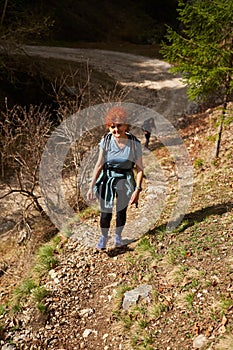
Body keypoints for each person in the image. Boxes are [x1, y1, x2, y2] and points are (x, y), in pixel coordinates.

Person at [87, 106, 144, 250]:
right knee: (105, 212)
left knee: (121, 210)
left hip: (124, 178)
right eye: (112, 127)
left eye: (119, 126)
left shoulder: (134, 143)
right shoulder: (105, 141)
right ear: (109, 127)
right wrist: (91, 186)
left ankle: (118, 236)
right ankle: (104, 237)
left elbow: (139, 169)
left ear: (126, 125)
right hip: (107, 178)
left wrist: (137, 190)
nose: (116, 130)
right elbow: (99, 165)